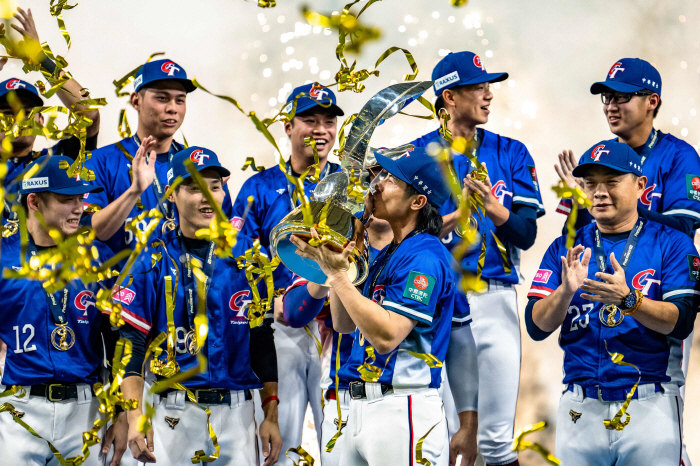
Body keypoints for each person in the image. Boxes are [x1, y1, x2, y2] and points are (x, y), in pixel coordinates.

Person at [554, 58, 700, 465]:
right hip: (600, 296)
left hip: (656, 287)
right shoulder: (597, 162)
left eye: (621, 96)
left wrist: (610, 204)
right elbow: (577, 235)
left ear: (651, 101)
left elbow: (682, 229)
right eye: (606, 98)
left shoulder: (678, 155)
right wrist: (590, 200)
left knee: (664, 401)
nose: (610, 105)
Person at [526, 140, 699, 466]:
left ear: (640, 185)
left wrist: (629, 300)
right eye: (590, 183)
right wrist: (564, 292)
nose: (599, 192)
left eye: (612, 180)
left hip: (649, 406)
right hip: (579, 408)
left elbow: (682, 321)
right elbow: (535, 326)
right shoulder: (566, 247)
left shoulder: (672, 244)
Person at [410, 51, 545, 466]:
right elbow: (403, 241)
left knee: (497, 442)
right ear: (449, 96)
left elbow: (526, 233)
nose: (488, 95)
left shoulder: (511, 151)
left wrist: (493, 209)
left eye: (489, 86)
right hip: (439, 304)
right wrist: (458, 214)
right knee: (445, 439)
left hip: (495, 295)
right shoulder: (416, 156)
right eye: (478, 87)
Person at [117, 146, 282, 465]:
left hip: (237, 416)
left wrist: (270, 414)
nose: (207, 196)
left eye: (215, 186)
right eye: (194, 187)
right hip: (173, 415)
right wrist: (134, 414)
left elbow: (261, 339)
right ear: (171, 195)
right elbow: (132, 343)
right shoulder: (152, 256)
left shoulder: (250, 257)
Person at [291, 147, 456, 466]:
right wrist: (340, 250)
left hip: (402, 408)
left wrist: (338, 275)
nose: (376, 184)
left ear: (417, 201)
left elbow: (388, 336)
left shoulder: (424, 257)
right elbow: (344, 324)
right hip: (361, 406)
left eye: (390, 178)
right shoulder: (388, 254)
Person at [233, 82, 344, 464]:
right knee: (284, 444)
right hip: (282, 328)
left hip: (340, 326)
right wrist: (269, 302)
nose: (321, 130)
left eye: (329, 121)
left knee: (340, 439)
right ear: (288, 126)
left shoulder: (350, 187)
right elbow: (239, 257)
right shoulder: (259, 187)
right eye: (310, 120)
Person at [0, 155, 124, 466]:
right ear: (34, 201)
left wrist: (122, 412)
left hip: (87, 412)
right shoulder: (3, 259)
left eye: (81, 198)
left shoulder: (99, 258)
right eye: (66, 199)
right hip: (18, 410)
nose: (79, 208)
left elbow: (119, 337)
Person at [281, 155, 394, 466]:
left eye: (387, 182)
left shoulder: (417, 254)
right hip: (342, 393)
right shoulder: (337, 248)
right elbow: (294, 313)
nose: (378, 191)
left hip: (401, 396)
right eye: (372, 185)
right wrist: (329, 268)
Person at [83, 58, 236, 254]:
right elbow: (86, 233)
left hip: (188, 282)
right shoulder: (100, 161)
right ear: (136, 101)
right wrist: (134, 191)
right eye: (162, 98)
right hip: (121, 283)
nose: (172, 108)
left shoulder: (202, 166)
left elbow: (224, 242)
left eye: (180, 100)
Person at [0, 8, 101, 226]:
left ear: (41, 121)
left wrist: (42, 60)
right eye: (8, 113)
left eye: (28, 113)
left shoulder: (57, 162)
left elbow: (90, 115)